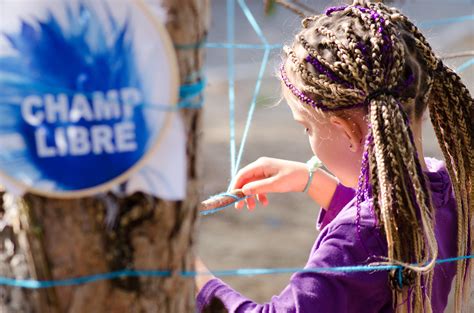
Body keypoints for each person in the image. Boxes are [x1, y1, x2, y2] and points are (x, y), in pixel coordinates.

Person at [195, 1, 473, 312]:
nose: (308, 139)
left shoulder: (352, 241)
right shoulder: (446, 190)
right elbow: (386, 235)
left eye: (306, 128)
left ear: (345, 131)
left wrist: (193, 276)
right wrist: (317, 184)